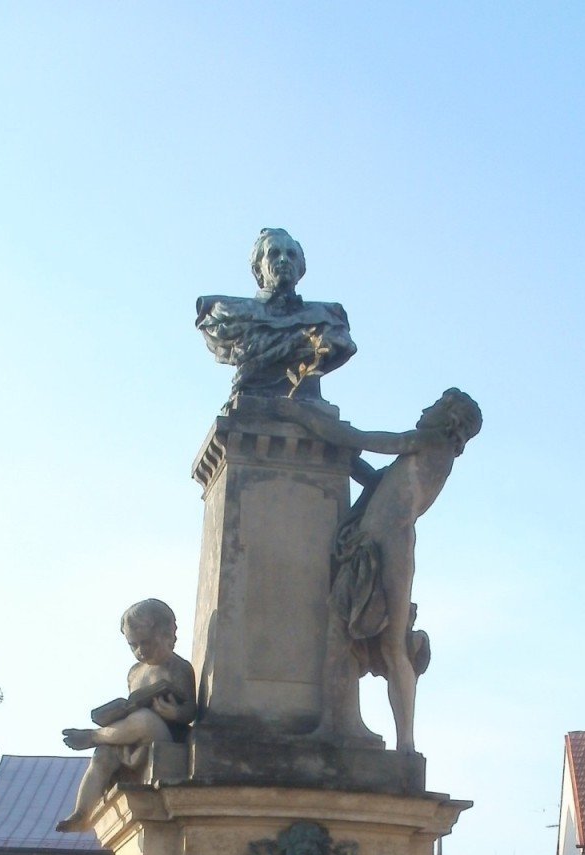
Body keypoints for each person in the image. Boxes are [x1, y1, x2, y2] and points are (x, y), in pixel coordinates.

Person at [292, 390, 482, 754]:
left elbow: (369, 441)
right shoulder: (423, 455)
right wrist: (341, 452)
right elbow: (373, 477)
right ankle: (351, 727)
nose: (425, 408)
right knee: (350, 634)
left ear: (450, 420)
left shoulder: (432, 441)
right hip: (371, 545)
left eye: (436, 405)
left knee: (387, 642)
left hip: (388, 547)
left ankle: (401, 743)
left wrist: (308, 420)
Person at [56, 599, 197, 832]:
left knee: (144, 719)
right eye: (134, 645)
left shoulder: (178, 668)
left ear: (168, 634)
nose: (141, 651)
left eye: (147, 643)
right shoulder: (135, 673)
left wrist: (175, 712)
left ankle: (94, 735)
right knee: (102, 756)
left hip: (164, 739)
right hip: (132, 740)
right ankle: (82, 813)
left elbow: (191, 710)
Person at [196, 227, 356, 402]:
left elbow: (342, 345)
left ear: (300, 268)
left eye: (291, 255)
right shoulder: (228, 314)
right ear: (258, 269)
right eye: (274, 253)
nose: (284, 259)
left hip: (309, 405)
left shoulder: (327, 318)